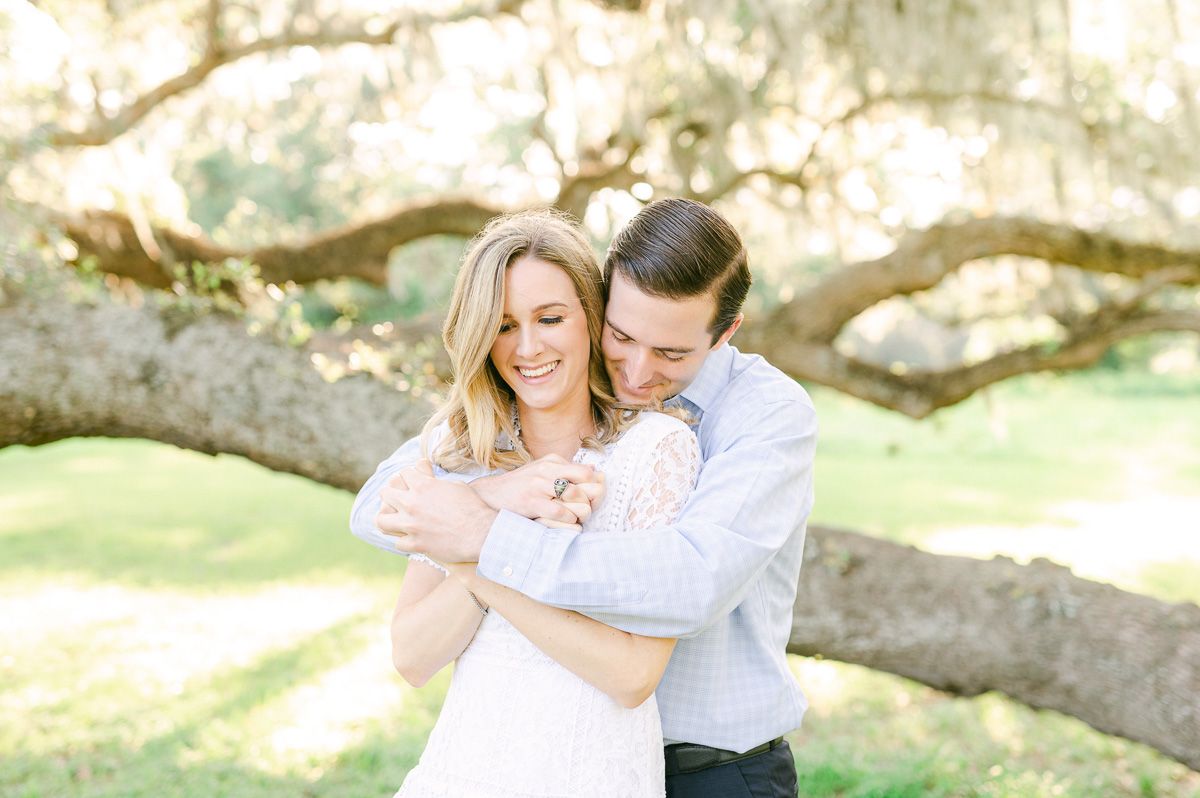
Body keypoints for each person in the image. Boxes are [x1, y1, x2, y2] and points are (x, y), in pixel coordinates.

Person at [353, 198, 818, 798]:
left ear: (725, 333)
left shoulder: (762, 417)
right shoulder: (484, 433)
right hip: (499, 759)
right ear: (602, 304)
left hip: (714, 767)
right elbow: (379, 509)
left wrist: (482, 541)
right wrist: (492, 498)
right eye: (620, 335)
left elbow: (692, 581)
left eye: (672, 353)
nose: (635, 369)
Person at [380, 209, 701, 797]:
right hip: (462, 773)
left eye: (550, 318)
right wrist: (494, 515)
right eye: (503, 326)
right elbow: (412, 657)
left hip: (594, 777)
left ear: (591, 317)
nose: (528, 348)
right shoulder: (460, 454)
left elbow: (631, 676)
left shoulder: (656, 451)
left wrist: (475, 545)